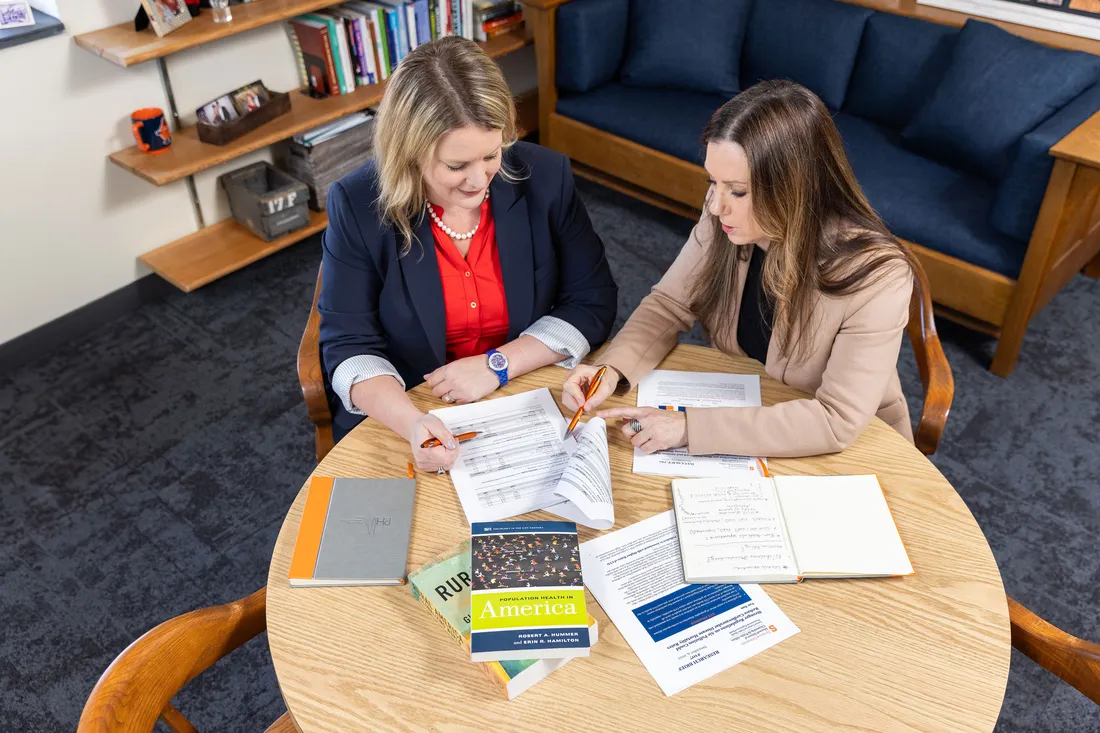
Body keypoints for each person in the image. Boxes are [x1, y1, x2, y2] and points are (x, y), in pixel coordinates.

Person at [562, 80, 914, 459]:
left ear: (795, 188)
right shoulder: (724, 218)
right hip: (756, 414)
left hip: (851, 447)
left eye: (738, 191)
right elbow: (668, 305)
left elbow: (835, 420)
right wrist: (610, 370)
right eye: (713, 182)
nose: (716, 206)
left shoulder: (879, 276)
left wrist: (688, 427)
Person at [320, 36, 618, 472]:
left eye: (491, 155)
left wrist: (498, 365)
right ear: (409, 153)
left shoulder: (547, 177)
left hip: (523, 392)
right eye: (456, 166)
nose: (479, 181)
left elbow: (592, 300)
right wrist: (414, 423)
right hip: (409, 407)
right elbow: (349, 345)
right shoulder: (357, 203)